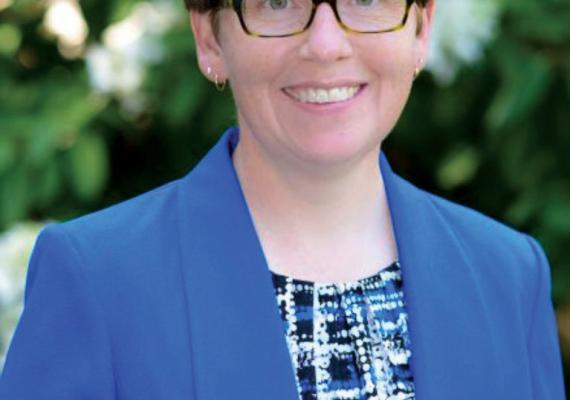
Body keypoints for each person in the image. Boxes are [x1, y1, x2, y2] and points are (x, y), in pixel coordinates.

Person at [0, 0, 566, 398]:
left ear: (421, 29)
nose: (325, 45)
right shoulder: (96, 278)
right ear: (208, 36)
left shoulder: (510, 275)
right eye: (277, 1)